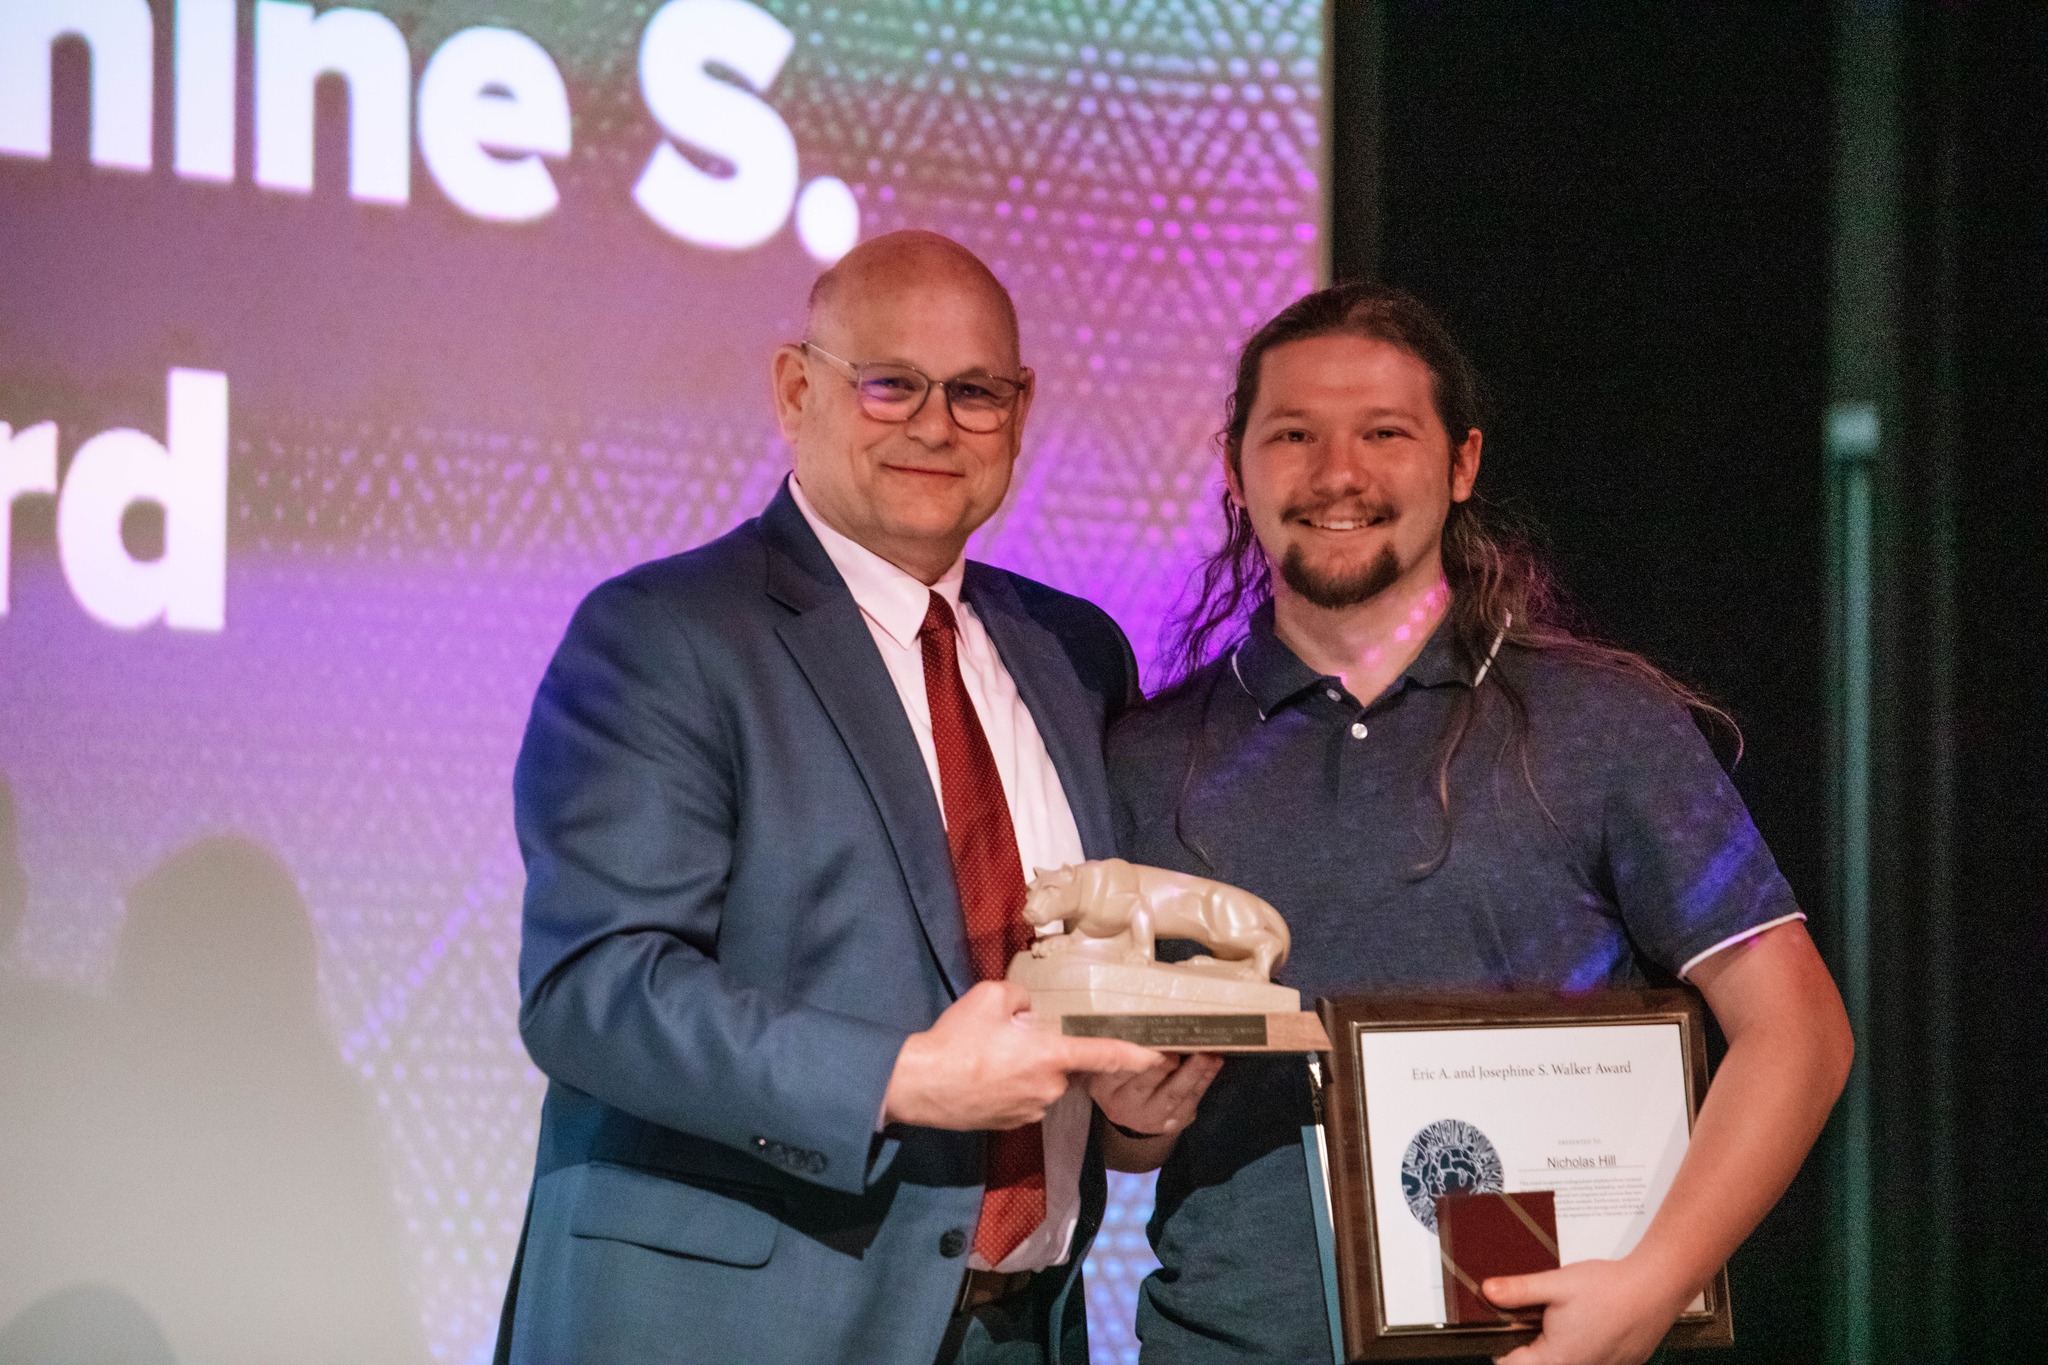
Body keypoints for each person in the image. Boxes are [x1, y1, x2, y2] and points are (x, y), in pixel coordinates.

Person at [1103, 282, 1854, 1365]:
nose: (1338, 474)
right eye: (1292, 435)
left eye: (1383, 434)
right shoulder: (1143, 757)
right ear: (1235, 468)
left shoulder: (1601, 723)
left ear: (1460, 465)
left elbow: (1797, 1033)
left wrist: (1649, 1287)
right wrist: (1137, 1118)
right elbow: (1124, 1136)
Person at [495, 230, 1168, 1365]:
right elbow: (592, 988)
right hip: (733, 1331)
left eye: (974, 394)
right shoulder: (663, 634)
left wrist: (1132, 1113)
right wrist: (907, 1079)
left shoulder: (1074, 652)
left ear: (1022, 407)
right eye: (888, 383)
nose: (933, 425)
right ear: (794, 388)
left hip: (1022, 1329)